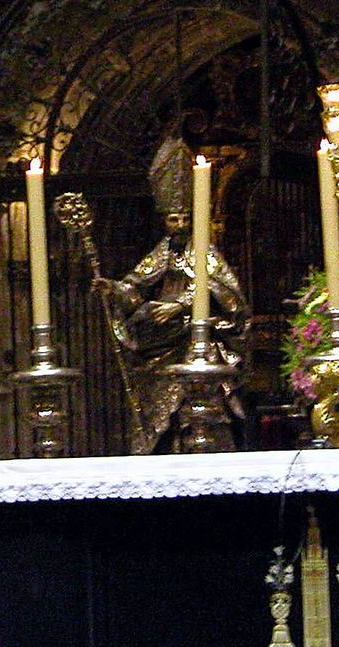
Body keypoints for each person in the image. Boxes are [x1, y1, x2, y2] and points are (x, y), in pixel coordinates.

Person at [91, 135, 247, 453]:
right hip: (165, 339)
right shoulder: (163, 251)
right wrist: (114, 288)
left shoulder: (204, 251)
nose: (179, 224)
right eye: (173, 218)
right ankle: (168, 448)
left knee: (202, 397)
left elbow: (227, 291)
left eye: (185, 218)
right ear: (164, 221)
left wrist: (180, 305)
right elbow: (137, 283)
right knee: (162, 400)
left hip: (200, 334)